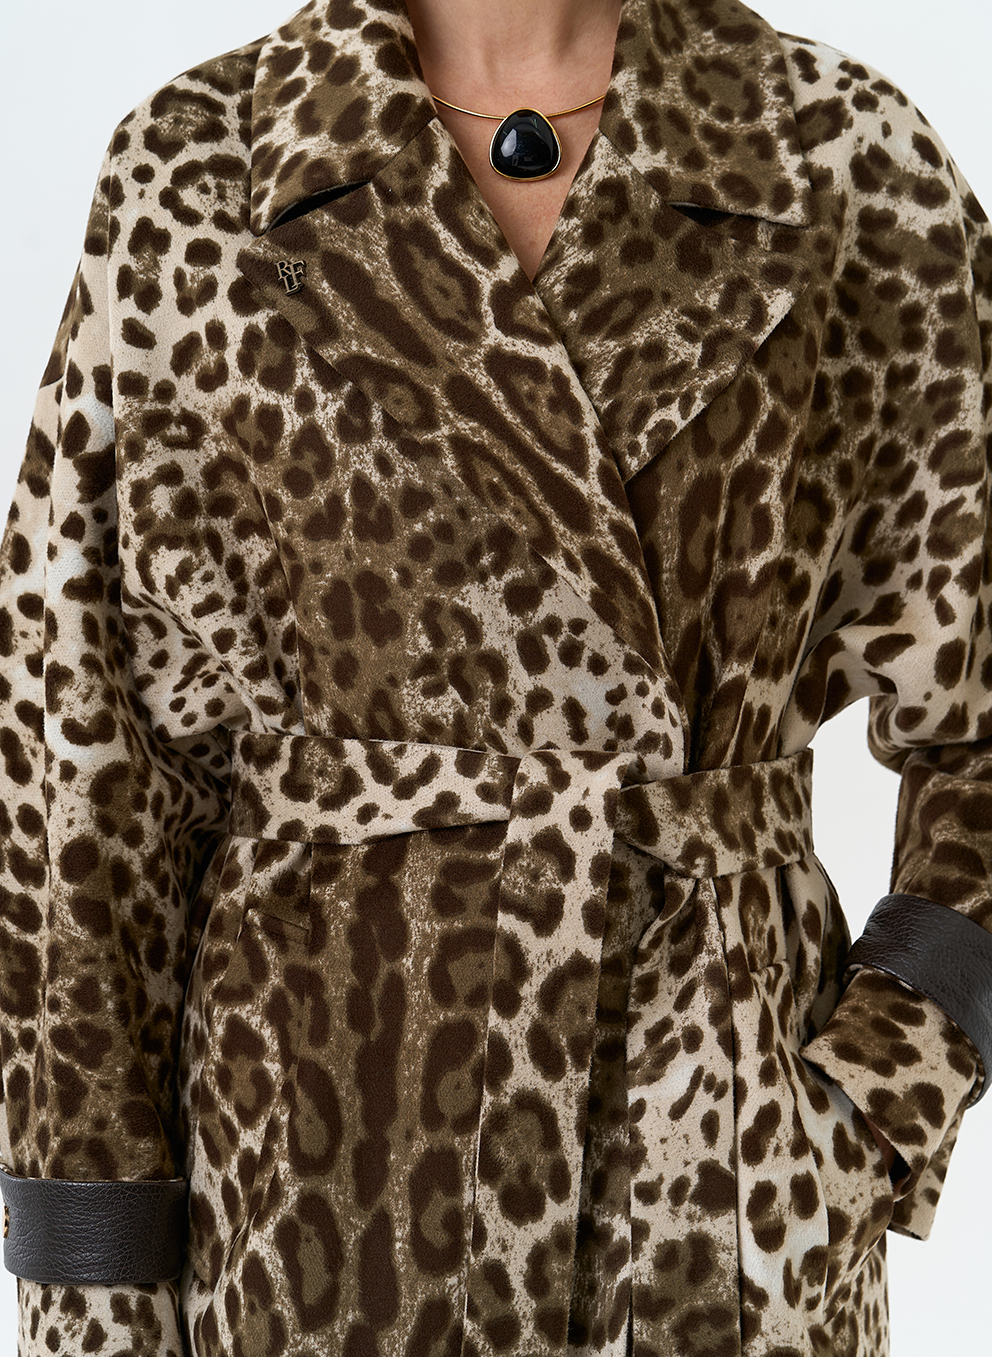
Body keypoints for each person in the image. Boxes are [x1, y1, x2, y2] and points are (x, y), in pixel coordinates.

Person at [0, 1, 989, 1354]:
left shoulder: (838, 158)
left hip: (722, 1184)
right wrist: (92, 1277)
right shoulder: (202, 162)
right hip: (310, 1186)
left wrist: (879, 1095)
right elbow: (78, 758)